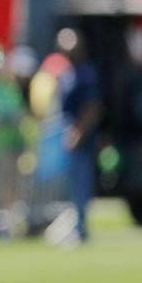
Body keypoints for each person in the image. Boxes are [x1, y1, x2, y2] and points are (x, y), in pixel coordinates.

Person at [56, 28, 102, 241]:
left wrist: (78, 132)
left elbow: (93, 107)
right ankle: (73, 224)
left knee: (81, 183)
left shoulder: (86, 74)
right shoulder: (67, 72)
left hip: (81, 138)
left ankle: (80, 228)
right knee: (69, 185)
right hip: (66, 131)